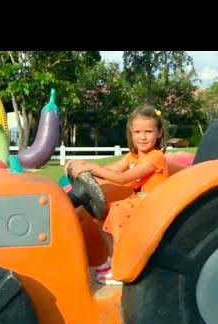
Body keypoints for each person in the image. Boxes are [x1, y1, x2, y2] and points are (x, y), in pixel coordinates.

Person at [68, 105, 169, 285]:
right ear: (131, 132)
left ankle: (123, 266)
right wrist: (85, 166)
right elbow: (110, 169)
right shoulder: (133, 156)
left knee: (117, 211)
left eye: (148, 131)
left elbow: (122, 178)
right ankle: (113, 258)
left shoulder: (155, 157)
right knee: (101, 215)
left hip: (154, 202)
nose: (143, 137)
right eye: (137, 131)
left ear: (159, 133)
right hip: (138, 200)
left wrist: (93, 168)